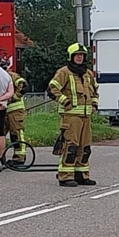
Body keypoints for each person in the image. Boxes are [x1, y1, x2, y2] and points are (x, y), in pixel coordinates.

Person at [48, 43, 100, 187]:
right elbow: (52, 89)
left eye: (82, 55)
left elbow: (95, 91)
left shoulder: (88, 73)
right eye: (77, 55)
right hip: (71, 117)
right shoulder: (64, 72)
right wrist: (65, 102)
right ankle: (65, 176)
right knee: (71, 147)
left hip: (86, 117)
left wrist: (94, 104)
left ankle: (81, 175)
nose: (79, 57)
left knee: (85, 148)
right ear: (71, 56)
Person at [2, 60, 28, 165]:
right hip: (3, 111)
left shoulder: (11, 76)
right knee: (0, 135)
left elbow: (24, 86)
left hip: (15, 110)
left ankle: (19, 157)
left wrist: (13, 98)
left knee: (16, 134)